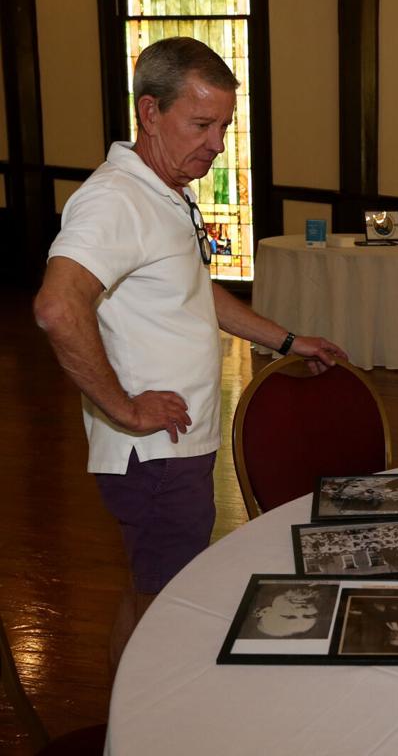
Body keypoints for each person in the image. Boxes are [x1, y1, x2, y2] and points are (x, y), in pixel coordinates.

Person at [33, 36, 347, 670]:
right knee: (161, 606)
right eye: (202, 124)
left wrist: (287, 341)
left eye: (224, 126)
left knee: (155, 592)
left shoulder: (163, 189)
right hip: (154, 454)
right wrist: (125, 408)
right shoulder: (115, 200)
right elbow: (57, 307)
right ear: (149, 112)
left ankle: (135, 711)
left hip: (176, 444)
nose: (217, 143)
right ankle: (138, 715)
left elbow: (194, 291)